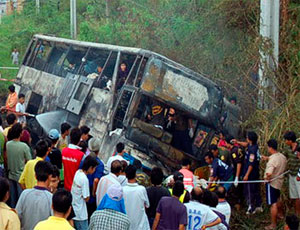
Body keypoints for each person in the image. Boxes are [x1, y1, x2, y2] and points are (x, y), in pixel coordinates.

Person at [16, 161, 54, 230]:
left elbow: (17, 215)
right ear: (50, 177)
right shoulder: (50, 197)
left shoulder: (25, 194)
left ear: (35, 176)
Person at [234, 131, 262, 214]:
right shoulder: (251, 145)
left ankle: (251, 207)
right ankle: (257, 205)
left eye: (247, 138)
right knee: (255, 188)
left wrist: (246, 175)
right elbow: (246, 144)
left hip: (251, 173)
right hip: (251, 172)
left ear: (250, 139)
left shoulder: (253, 150)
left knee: (250, 190)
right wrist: (238, 142)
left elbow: (251, 164)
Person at [262, 139, 287, 230]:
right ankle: (280, 215)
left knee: (273, 204)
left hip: (272, 183)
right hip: (279, 183)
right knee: (277, 199)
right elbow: (275, 160)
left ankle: (273, 224)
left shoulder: (272, 161)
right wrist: (267, 158)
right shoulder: (282, 156)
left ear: (270, 147)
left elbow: (269, 173)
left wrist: (266, 179)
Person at [6, 123, 31, 207]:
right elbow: (29, 161)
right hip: (21, 177)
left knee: (12, 200)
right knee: (20, 200)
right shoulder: (24, 146)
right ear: (20, 133)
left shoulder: (8, 144)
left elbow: (6, 158)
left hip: (10, 175)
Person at [71, 155, 99, 230]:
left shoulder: (77, 172)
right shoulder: (84, 179)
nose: (94, 170)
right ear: (90, 168)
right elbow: (86, 198)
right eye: (94, 168)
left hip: (74, 209)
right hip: (81, 213)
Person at [123, 165, 150, 230]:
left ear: (125, 175)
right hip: (141, 226)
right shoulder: (141, 189)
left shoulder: (122, 190)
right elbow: (147, 205)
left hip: (126, 225)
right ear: (135, 175)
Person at [85, 138, 105, 218]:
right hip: (91, 190)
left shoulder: (85, 159)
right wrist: (94, 193)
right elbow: (96, 180)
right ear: (98, 150)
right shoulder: (99, 164)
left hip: (83, 189)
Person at [283, 131, 300, 216]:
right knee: (295, 195)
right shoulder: (287, 149)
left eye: (286, 140)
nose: (285, 142)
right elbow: (282, 157)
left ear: (290, 140)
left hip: (298, 175)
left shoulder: (299, 147)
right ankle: (297, 213)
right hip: (292, 174)